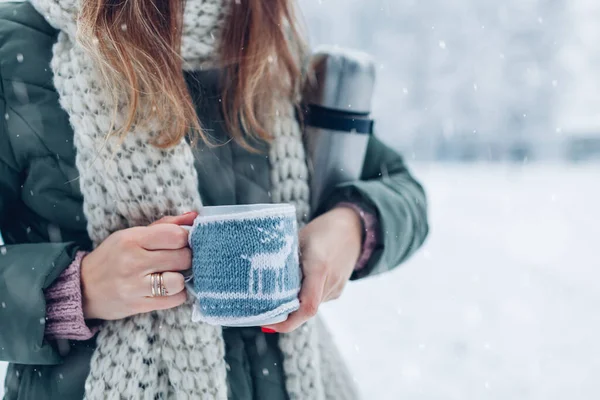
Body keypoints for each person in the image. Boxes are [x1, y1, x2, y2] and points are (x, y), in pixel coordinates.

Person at [0, 0, 429, 399]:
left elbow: (399, 188)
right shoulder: (18, 45)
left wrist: (350, 226)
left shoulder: (270, 40)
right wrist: (76, 291)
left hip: (299, 381)